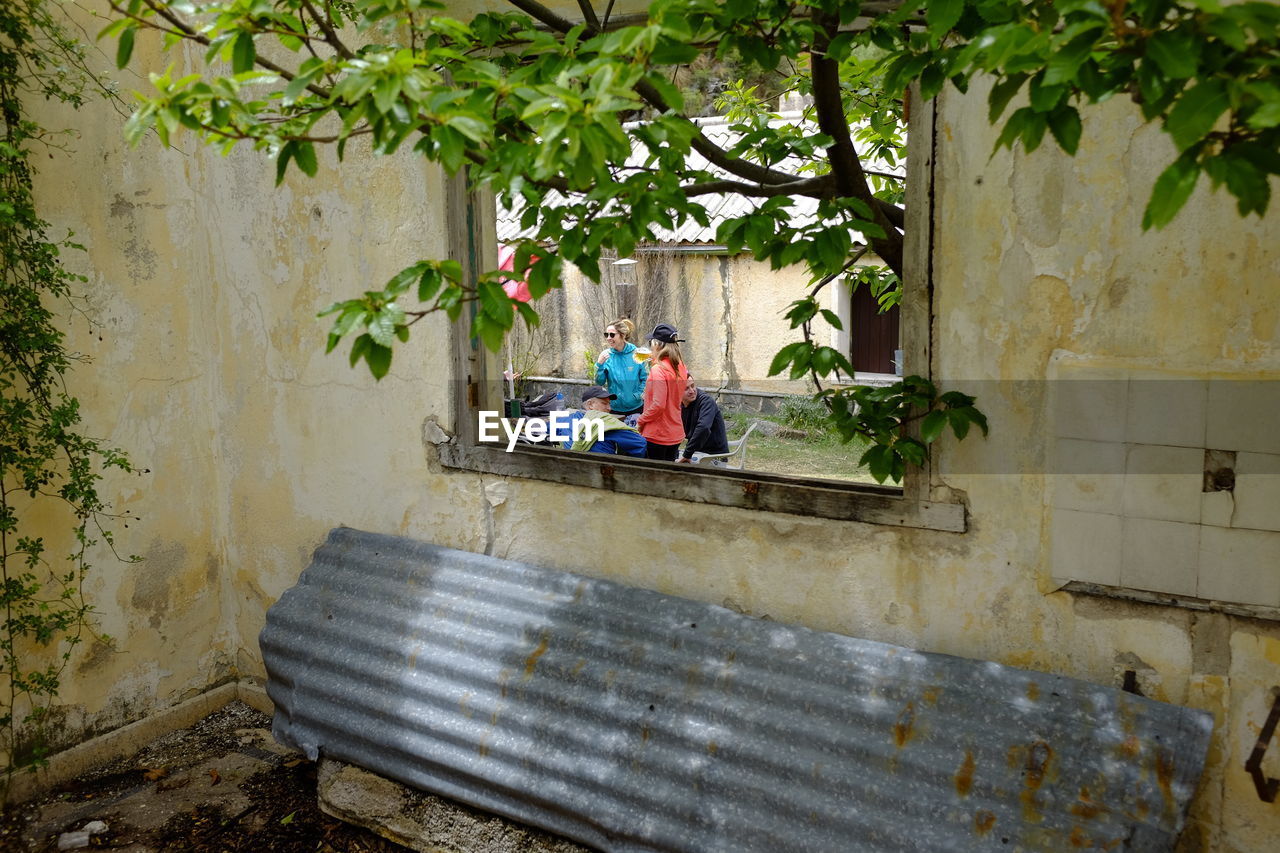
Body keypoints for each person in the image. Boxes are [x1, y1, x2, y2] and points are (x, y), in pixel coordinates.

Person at [636, 323, 689, 462]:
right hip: (675, 431)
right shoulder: (681, 366)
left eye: (651, 342)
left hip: (658, 433)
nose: (650, 345)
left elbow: (659, 404)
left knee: (653, 478)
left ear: (657, 344)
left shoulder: (658, 369)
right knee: (667, 477)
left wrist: (640, 420)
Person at [559, 386, 646, 457]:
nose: (609, 408)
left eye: (609, 404)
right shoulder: (608, 423)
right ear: (590, 405)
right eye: (604, 403)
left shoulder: (565, 419)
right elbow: (640, 444)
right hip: (602, 474)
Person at [593, 318, 647, 415]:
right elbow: (599, 382)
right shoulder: (606, 356)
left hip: (636, 408)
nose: (608, 338)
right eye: (606, 335)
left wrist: (638, 395)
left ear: (622, 335)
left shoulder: (637, 354)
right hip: (614, 408)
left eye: (612, 335)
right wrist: (599, 364)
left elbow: (646, 378)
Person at [678, 375, 729, 464]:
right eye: (686, 388)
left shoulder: (706, 401)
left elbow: (703, 428)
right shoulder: (679, 404)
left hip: (713, 456)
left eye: (693, 386)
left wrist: (687, 454)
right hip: (698, 452)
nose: (692, 391)